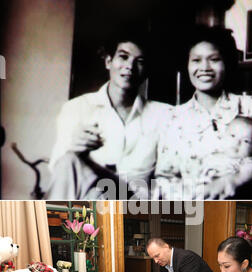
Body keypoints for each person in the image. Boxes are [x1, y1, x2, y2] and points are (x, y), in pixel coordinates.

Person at [154, 25, 252, 200]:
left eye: (214, 59)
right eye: (196, 60)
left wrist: (234, 182)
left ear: (227, 63)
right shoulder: (173, 117)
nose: (205, 67)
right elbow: (165, 178)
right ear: (186, 64)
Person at [46, 29, 172, 200]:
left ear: (146, 71)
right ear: (108, 61)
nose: (130, 66)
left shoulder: (164, 115)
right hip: (89, 201)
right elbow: (59, 169)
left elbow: (170, 176)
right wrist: (75, 149)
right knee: (69, 160)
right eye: (123, 57)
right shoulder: (76, 108)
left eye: (140, 61)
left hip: (137, 204)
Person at [194, 115, 252, 199]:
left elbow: (249, 174)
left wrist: (235, 180)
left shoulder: (247, 161)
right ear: (223, 136)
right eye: (232, 136)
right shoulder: (213, 155)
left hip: (227, 194)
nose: (237, 142)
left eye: (246, 141)